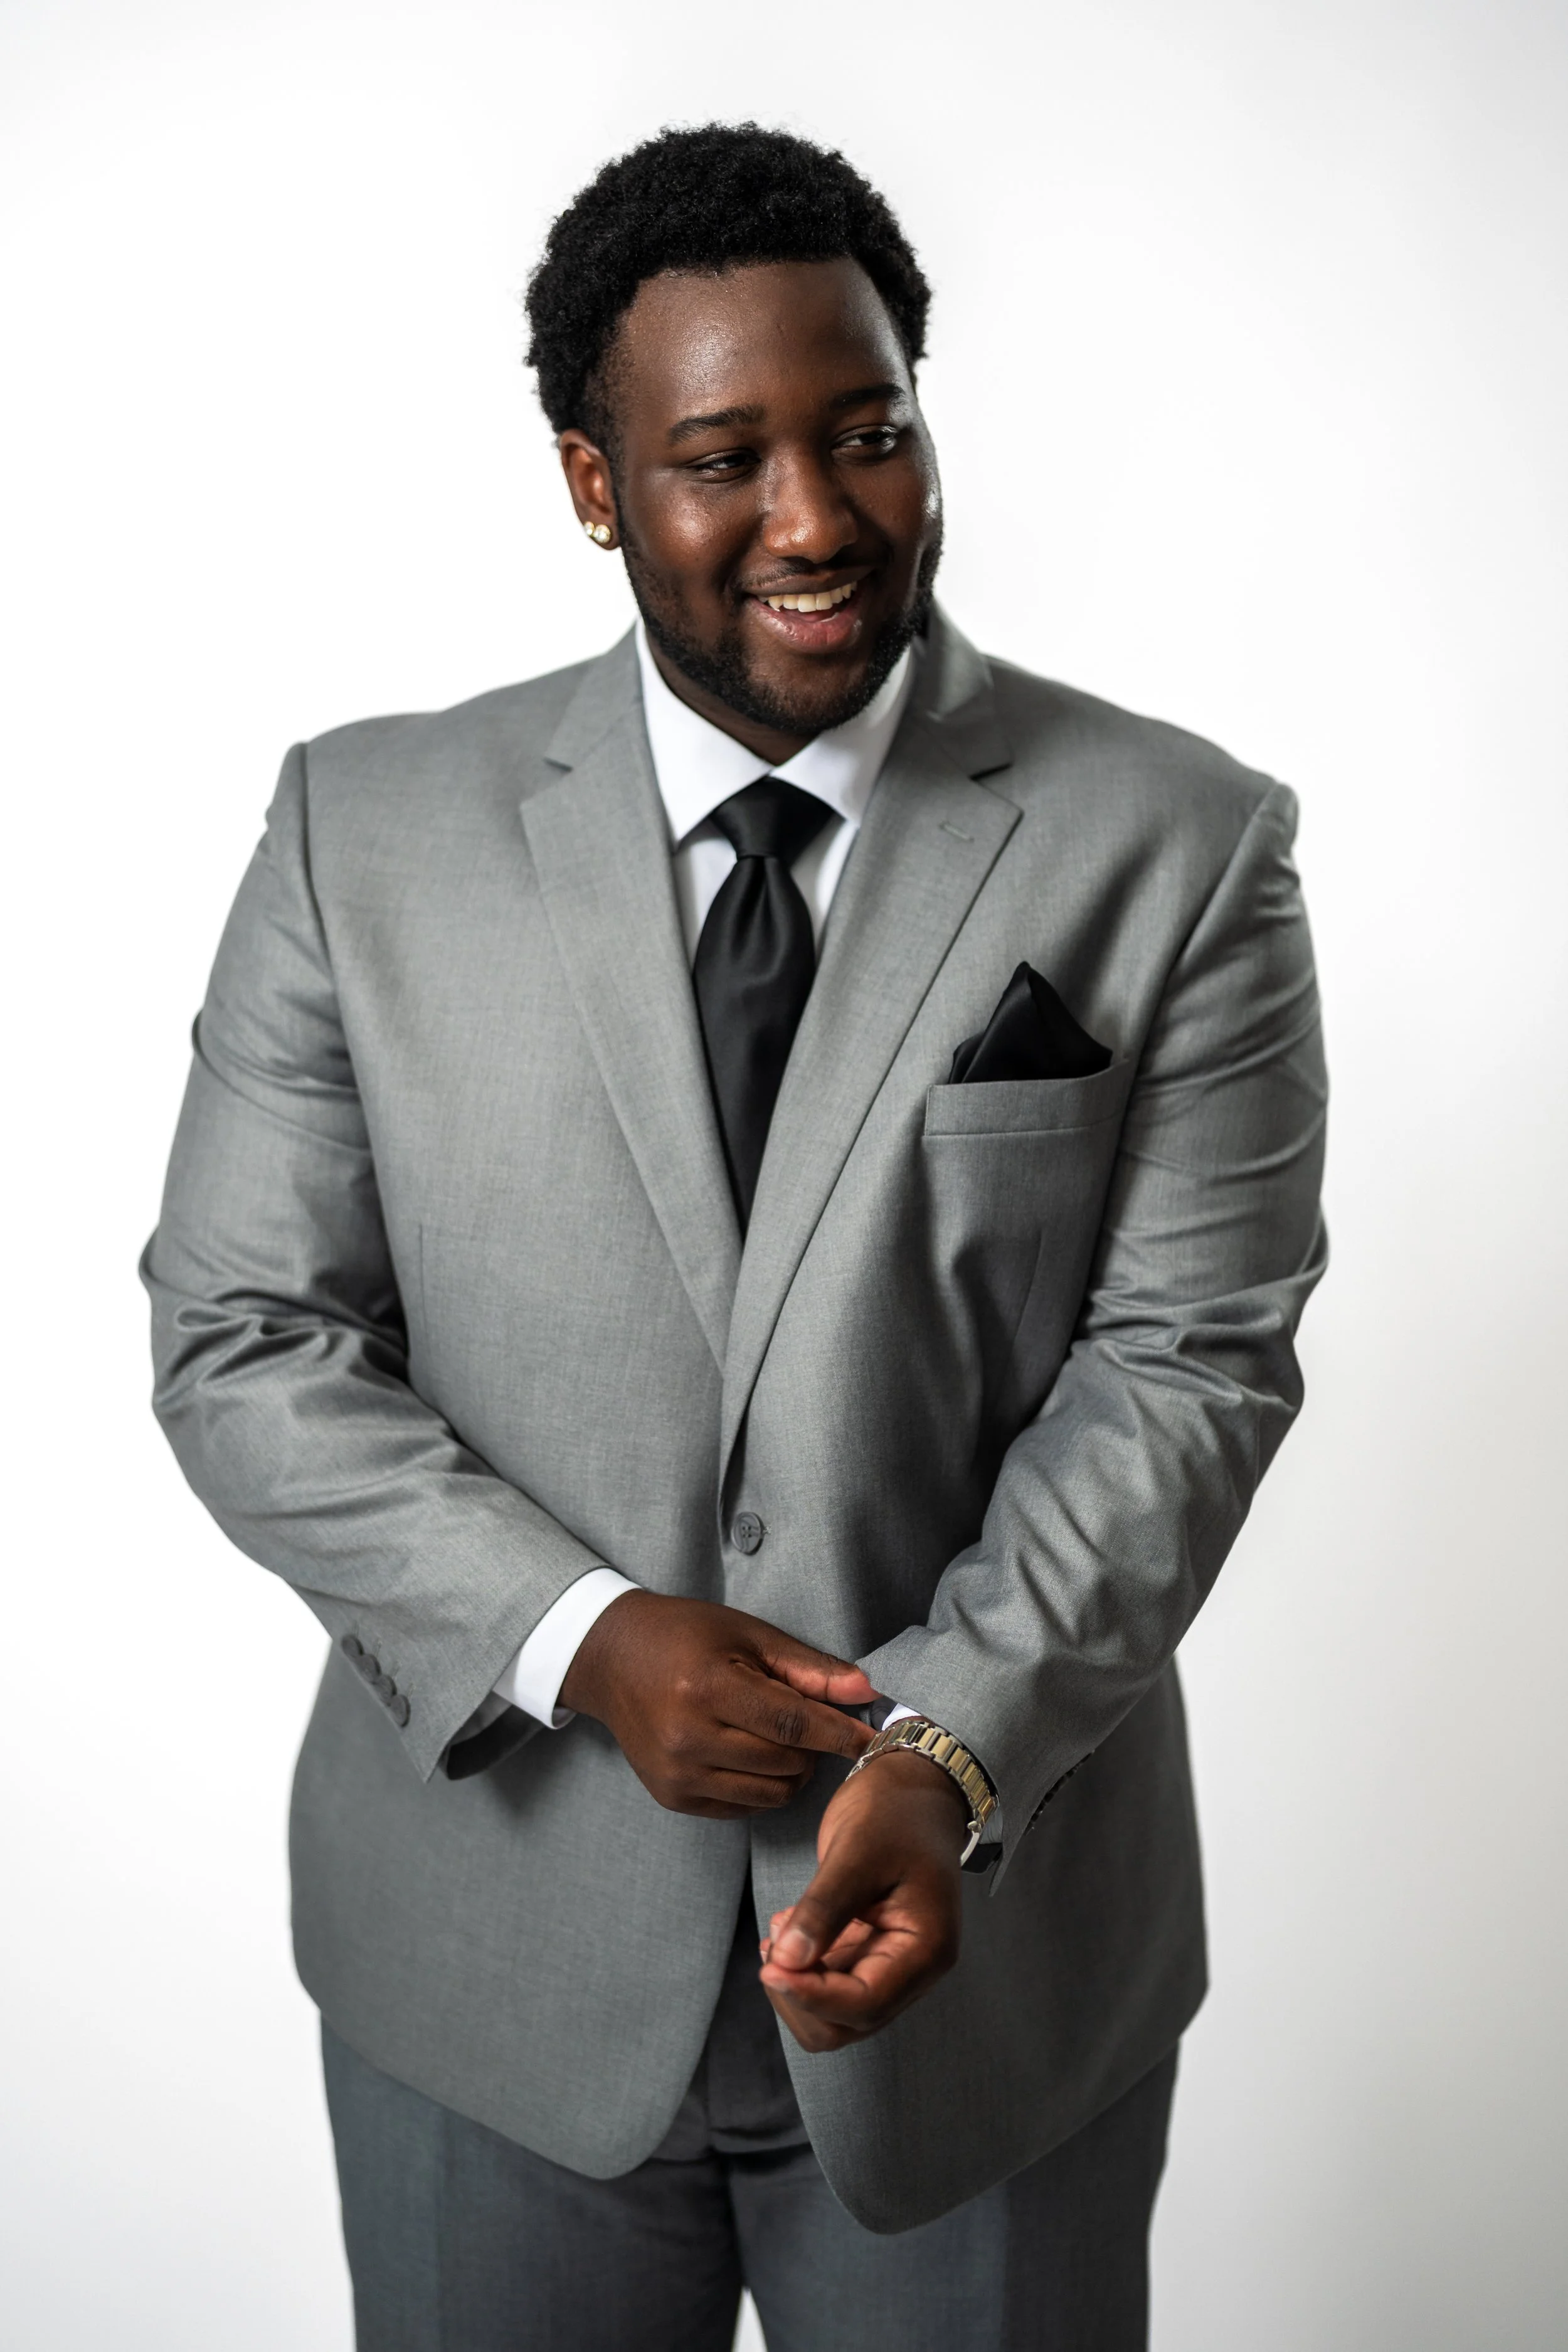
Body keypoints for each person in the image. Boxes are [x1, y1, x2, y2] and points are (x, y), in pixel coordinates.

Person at [144, 122, 1327, 2351]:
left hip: (984, 1981)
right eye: (722, 457)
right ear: (592, 484)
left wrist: (944, 1739)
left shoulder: (1178, 844)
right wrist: (577, 1633)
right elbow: (240, 1334)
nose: (817, 519)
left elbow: (1190, 1362)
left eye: (867, 432)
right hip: (487, 1972)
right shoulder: (360, 831)